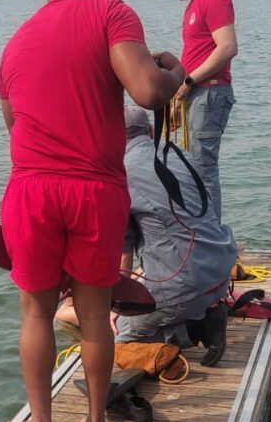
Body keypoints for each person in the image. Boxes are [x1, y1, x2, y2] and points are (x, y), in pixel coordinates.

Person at [0, 0, 184, 422]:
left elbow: (14, 128)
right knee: (97, 315)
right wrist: (175, 73)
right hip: (95, 190)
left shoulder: (14, 44)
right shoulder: (110, 14)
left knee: (35, 313)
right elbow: (148, 90)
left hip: (31, 189)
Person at [56, 105, 237, 366]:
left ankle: (193, 331)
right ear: (151, 131)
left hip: (187, 283)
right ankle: (201, 316)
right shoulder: (178, 154)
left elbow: (123, 252)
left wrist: (117, 308)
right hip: (221, 268)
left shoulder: (120, 173)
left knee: (107, 335)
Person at [159, 0, 238, 222]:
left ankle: (214, 235)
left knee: (204, 169)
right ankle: (204, 229)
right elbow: (197, 52)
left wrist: (190, 81)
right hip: (195, 93)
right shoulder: (194, 3)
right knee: (194, 166)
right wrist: (180, 92)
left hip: (209, 93)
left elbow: (227, 47)